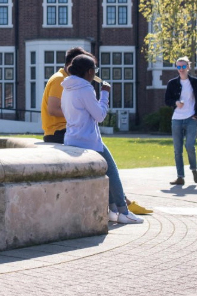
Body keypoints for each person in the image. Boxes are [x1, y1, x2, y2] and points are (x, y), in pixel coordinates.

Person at [42, 47, 152, 215]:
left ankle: (116, 206)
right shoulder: (63, 81)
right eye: (93, 69)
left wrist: (79, 111)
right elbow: (54, 109)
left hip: (68, 133)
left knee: (104, 166)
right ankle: (122, 207)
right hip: (60, 132)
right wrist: (84, 110)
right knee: (109, 166)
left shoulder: (68, 82)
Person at [61, 54, 144, 225]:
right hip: (89, 141)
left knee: (107, 173)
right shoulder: (85, 88)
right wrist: (105, 95)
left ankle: (113, 211)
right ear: (90, 72)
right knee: (113, 174)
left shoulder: (66, 87)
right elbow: (99, 116)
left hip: (71, 138)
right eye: (95, 70)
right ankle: (123, 212)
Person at [164, 56, 197, 186]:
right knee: (177, 150)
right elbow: (167, 100)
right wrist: (175, 103)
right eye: (178, 67)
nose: (181, 69)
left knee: (189, 146)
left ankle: (194, 170)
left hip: (191, 118)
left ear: (188, 67)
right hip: (177, 119)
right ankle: (180, 177)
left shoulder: (196, 83)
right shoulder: (172, 83)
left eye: (183, 66)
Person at [41, 47, 88, 143]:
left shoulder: (67, 79)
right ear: (71, 64)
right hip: (58, 132)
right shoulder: (60, 79)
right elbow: (52, 110)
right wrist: (79, 113)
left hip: (63, 130)